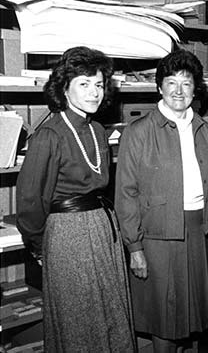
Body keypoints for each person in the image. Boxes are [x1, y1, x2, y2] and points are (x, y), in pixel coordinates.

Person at [16, 46, 136, 352]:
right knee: (79, 320)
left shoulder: (97, 130)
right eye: (84, 84)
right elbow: (30, 201)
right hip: (67, 236)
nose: (94, 92)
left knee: (110, 310)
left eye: (98, 84)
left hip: (102, 229)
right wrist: (40, 246)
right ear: (64, 88)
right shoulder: (49, 135)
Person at [115, 48, 208, 352]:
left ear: (196, 88)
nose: (179, 90)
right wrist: (135, 247)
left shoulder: (206, 131)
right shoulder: (138, 132)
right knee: (164, 319)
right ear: (160, 87)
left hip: (196, 233)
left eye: (187, 83)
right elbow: (126, 194)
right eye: (171, 82)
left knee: (194, 320)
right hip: (157, 237)